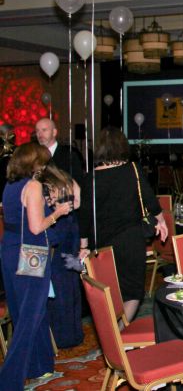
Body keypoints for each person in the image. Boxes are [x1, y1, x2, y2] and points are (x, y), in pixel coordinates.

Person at [0, 143, 74, 388]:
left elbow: (18, 218)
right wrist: (58, 212)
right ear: (34, 163)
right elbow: (36, 227)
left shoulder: (10, 185)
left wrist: (46, 203)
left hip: (10, 250)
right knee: (29, 317)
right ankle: (9, 379)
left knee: (26, 311)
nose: (44, 167)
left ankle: (40, 365)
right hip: (31, 253)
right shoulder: (32, 185)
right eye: (42, 162)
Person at [78, 127, 167, 322]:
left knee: (107, 291)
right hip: (129, 240)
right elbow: (150, 200)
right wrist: (162, 222)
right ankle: (120, 334)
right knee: (132, 291)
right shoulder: (131, 170)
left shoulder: (89, 178)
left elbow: (84, 215)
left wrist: (83, 246)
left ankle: (111, 335)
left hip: (100, 241)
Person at [35, 117, 85, 348]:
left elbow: (76, 195)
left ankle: (64, 335)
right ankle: (73, 333)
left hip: (59, 231)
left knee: (62, 282)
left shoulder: (63, 161)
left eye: (44, 129)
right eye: (37, 130)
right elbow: (77, 195)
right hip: (70, 230)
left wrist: (57, 210)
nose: (40, 134)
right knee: (70, 280)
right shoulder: (62, 174)